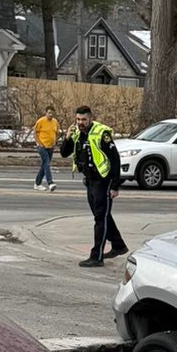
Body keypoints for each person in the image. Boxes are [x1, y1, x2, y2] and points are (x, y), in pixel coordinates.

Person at [60, 105, 128, 266]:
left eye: (83, 119)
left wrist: (115, 186)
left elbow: (115, 160)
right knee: (102, 215)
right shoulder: (77, 133)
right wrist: (68, 138)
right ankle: (118, 245)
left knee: (100, 219)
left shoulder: (101, 133)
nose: (80, 122)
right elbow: (64, 153)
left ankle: (96, 257)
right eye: (78, 119)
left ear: (90, 118)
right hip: (90, 181)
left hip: (103, 181)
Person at [32, 104, 59, 190]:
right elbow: (35, 132)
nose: (50, 115)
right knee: (46, 164)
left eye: (52, 113)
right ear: (46, 113)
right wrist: (38, 143)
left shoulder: (55, 122)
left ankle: (37, 183)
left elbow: (56, 132)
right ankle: (50, 183)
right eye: (49, 113)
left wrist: (55, 142)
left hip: (50, 147)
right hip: (42, 146)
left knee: (44, 165)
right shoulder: (41, 121)